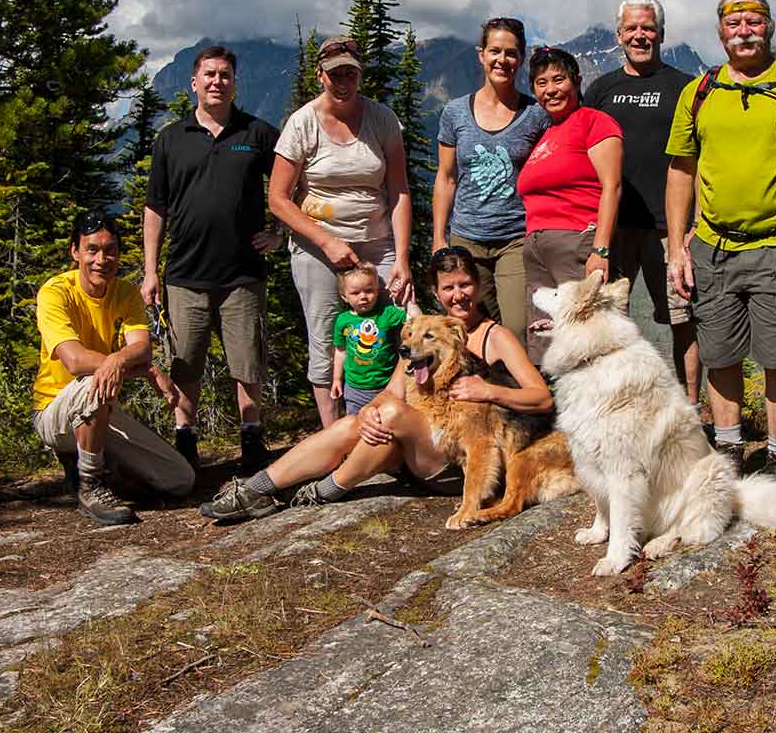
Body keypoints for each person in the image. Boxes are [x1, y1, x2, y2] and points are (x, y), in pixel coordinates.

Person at [200, 245, 553, 521]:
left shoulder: (496, 336)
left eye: (465, 285)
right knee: (354, 423)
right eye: (448, 288)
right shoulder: (424, 334)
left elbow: (542, 399)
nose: (458, 295)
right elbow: (390, 392)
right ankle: (255, 490)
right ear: (436, 291)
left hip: (454, 461)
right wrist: (369, 411)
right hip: (417, 450)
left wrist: (490, 390)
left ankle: (318, 492)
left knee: (395, 415)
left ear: (477, 286)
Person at [665, 0, 776, 484]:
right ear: (720, 31)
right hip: (713, 245)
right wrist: (678, 247)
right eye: (733, 22)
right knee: (719, 356)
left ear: (769, 26)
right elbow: (681, 170)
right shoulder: (700, 92)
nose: (744, 30)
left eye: (754, 21)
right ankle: (729, 455)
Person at [142, 45, 278, 476]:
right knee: (186, 365)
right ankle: (186, 442)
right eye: (210, 74)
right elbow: (155, 207)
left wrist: (280, 231)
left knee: (247, 363)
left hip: (243, 274)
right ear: (194, 83)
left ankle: (252, 440)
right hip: (184, 275)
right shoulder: (171, 138)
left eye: (225, 75)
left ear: (235, 82)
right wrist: (151, 270)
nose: (218, 81)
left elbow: (292, 182)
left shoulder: (256, 133)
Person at [269, 35, 414, 428]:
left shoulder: (383, 120)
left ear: (360, 74)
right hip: (318, 247)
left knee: (403, 323)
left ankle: (393, 422)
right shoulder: (302, 123)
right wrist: (326, 241)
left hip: (377, 240)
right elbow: (278, 199)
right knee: (325, 337)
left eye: (350, 72)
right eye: (335, 74)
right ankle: (333, 435)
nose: (343, 81)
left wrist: (401, 258)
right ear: (321, 76)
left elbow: (398, 188)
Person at [32, 211, 194, 526]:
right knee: (94, 379)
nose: (101, 259)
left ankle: (93, 463)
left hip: (97, 406)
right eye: (92, 249)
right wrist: (141, 369)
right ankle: (91, 482)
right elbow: (75, 360)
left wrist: (125, 361)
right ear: (75, 252)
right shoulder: (55, 292)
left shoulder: (125, 292)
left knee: (180, 479)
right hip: (54, 410)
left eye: (110, 250)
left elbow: (140, 347)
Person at [582, 0, 702, 407]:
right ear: (619, 35)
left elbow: (699, 159)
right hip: (614, 228)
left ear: (661, 33)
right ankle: (620, 405)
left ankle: (690, 408)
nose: (640, 35)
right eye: (631, 28)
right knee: (610, 320)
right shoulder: (600, 89)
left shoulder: (685, 87)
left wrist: (694, 224)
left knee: (684, 320)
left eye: (648, 28)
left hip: (670, 228)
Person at [432, 16, 549, 332]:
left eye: (511, 53)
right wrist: (438, 238)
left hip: (516, 237)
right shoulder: (455, 112)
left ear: (521, 58)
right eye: (495, 51)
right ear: (480, 54)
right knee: (468, 328)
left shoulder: (536, 114)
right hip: (466, 238)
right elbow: (446, 177)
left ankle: (519, 382)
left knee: (515, 328)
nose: (502, 60)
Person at [515, 46, 623, 363]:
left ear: (576, 81)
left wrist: (600, 249)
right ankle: (550, 412)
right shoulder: (546, 133)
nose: (551, 90)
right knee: (544, 342)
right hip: (536, 249)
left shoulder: (595, 122)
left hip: (577, 241)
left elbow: (612, 187)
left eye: (558, 79)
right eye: (541, 82)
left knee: (585, 339)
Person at [331, 262, 408, 415]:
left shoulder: (388, 314)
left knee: (388, 424)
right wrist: (336, 379)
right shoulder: (343, 320)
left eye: (369, 290)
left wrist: (401, 298)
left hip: (386, 385)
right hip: (355, 388)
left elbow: (414, 320)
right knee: (356, 424)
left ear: (378, 290)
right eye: (355, 293)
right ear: (344, 296)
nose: (363, 297)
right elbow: (340, 351)